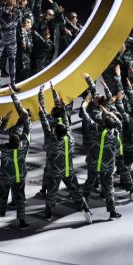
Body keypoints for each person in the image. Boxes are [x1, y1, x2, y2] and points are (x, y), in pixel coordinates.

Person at [38, 87, 92, 223]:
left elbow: (45, 121)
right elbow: (65, 121)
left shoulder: (52, 139)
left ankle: (49, 214)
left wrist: (40, 96)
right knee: (77, 192)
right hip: (69, 171)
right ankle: (86, 210)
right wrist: (58, 100)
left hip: (55, 171)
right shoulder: (69, 137)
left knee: (51, 193)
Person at [0, 93, 31, 229]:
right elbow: (27, 128)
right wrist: (25, 116)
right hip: (19, 177)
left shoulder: (4, 149)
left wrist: (0, 124)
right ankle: (21, 221)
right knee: (20, 199)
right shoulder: (23, 147)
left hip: (5, 177)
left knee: (1, 196)